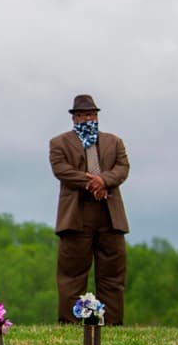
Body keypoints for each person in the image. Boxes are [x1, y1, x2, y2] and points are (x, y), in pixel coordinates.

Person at [49, 94, 130, 325]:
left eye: (92, 114)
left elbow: (122, 168)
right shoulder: (59, 143)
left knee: (112, 276)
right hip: (76, 216)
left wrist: (103, 181)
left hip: (110, 215)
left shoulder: (115, 142)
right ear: (74, 118)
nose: (88, 118)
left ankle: (113, 323)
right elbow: (61, 170)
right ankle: (69, 323)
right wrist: (91, 183)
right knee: (72, 275)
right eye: (83, 114)